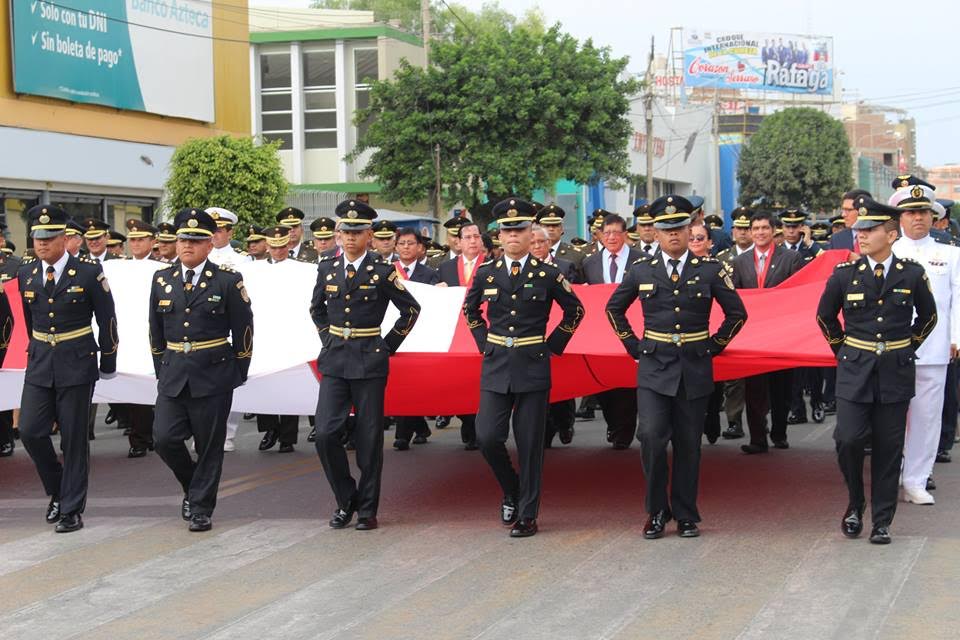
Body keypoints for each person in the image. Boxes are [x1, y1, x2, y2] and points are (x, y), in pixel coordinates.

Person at [606, 195, 746, 539]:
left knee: (688, 444)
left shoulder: (710, 270)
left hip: (694, 368)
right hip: (654, 367)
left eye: (679, 228)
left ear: (690, 229)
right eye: (666, 229)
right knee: (651, 437)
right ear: (654, 231)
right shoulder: (641, 269)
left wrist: (713, 346)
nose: (673, 235)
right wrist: (633, 345)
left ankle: (685, 513)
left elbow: (737, 314)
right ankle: (656, 511)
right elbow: (614, 309)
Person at [816, 196, 936, 544]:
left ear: (891, 234)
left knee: (888, 447)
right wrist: (844, 350)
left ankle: (882, 520)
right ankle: (856, 502)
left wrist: (906, 346)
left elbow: (928, 317)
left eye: (869, 230)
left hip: (895, 372)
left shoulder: (911, 274)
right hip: (855, 369)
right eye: (859, 230)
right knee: (848, 439)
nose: (861, 236)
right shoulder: (845, 275)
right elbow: (825, 317)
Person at [464, 197, 584, 538]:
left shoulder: (547, 273)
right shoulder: (486, 272)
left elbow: (575, 312)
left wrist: (552, 346)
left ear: (532, 233)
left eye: (519, 229)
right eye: (507, 230)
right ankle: (512, 490)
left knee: (530, 444)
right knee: (487, 436)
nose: (513, 236)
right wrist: (483, 343)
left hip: (532, 365)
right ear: (498, 236)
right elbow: (471, 312)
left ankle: (528, 514)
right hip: (496, 364)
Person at [311, 199, 421, 531]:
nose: (349, 238)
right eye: (345, 231)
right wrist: (327, 339)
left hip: (369, 360)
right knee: (326, 434)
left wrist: (387, 346)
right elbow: (316, 309)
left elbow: (410, 310)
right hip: (335, 359)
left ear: (369, 234)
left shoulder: (382, 270)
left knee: (369, 438)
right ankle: (347, 499)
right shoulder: (327, 268)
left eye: (357, 232)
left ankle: (367, 508)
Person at [149, 208, 254, 532]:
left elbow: (244, 329)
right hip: (174, 372)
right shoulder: (162, 279)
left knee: (209, 445)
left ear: (209, 244)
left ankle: (200, 508)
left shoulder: (227, 279)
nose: (187, 246)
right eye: (183, 239)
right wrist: (161, 369)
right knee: (164, 439)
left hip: (213, 372)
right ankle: (194, 486)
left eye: (195, 240)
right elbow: (155, 329)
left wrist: (239, 371)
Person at [18, 204, 118, 533]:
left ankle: (71, 509)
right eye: (37, 238)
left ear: (64, 238)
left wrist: (108, 359)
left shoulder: (88, 272)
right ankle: (58, 490)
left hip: (77, 361)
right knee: (31, 431)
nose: (42, 244)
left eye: (48, 238)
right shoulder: (27, 272)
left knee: (74, 440)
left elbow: (107, 318)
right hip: (41, 362)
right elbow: (31, 319)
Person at [889, 184, 960, 504]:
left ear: (934, 217)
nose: (918, 218)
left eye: (923, 213)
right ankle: (892, 472)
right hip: (891, 347)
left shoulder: (951, 254)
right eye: (911, 212)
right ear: (900, 218)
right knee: (890, 417)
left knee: (927, 417)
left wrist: (956, 337)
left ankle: (916, 478)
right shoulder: (887, 252)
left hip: (933, 347)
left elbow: (957, 300)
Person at [733, 210, 805, 453]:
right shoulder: (740, 262)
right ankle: (757, 438)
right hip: (752, 337)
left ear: (774, 230)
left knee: (781, 389)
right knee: (754, 389)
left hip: (783, 337)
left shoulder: (791, 259)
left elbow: (798, 296)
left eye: (765, 228)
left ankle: (779, 433)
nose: (760, 233)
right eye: (756, 229)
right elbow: (734, 297)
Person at [582, 213, 643, 449]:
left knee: (628, 384)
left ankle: (624, 430)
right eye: (606, 233)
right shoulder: (590, 263)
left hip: (631, 329)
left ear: (625, 234)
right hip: (601, 333)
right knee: (605, 385)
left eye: (616, 233)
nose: (611, 237)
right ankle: (614, 423)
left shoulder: (642, 260)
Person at [391, 228, 443, 451]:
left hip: (421, 333)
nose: (405, 247)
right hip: (394, 332)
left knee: (414, 382)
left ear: (420, 248)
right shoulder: (387, 271)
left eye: (410, 243)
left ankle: (406, 432)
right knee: (401, 382)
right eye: (401, 243)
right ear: (395, 247)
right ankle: (416, 428)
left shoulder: (430, 274)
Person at [437, 220, 487, 448]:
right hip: (454, 332)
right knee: (459, 379)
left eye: (477, 237)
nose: (473, 241)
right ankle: (468, 423)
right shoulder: (446, 268)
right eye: (468, 237)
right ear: (458, 242)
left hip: (482, 330)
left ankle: (479, 426)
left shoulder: (491, 265)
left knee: (479, 380)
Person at [255, 225, 304, 453]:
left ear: (289, 245)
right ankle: (269, 428)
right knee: (263, 383)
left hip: (291, 333)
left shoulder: (301, 269)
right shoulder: (254, 270)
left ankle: (288, 437)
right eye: (273, 247)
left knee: (290, 385)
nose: (278, 251)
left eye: (282, 246)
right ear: (267, 246)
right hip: (265, 333)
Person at [530, 224, 578, 448]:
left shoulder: (565, 267)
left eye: (542, 242)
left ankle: (565, 423)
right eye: (533, 242)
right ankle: (545, 431)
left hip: (561, 335)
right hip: (533, 338)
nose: (537, 246)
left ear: (549, 244)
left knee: (564, 382)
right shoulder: (519, 269)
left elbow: (576, 300)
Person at [536, 204, 585, 278]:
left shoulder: (577, 256)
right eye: (547, 225)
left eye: (555, 225)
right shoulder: (531, 253)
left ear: (562, 229)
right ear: (539, 228)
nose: (551, 229)